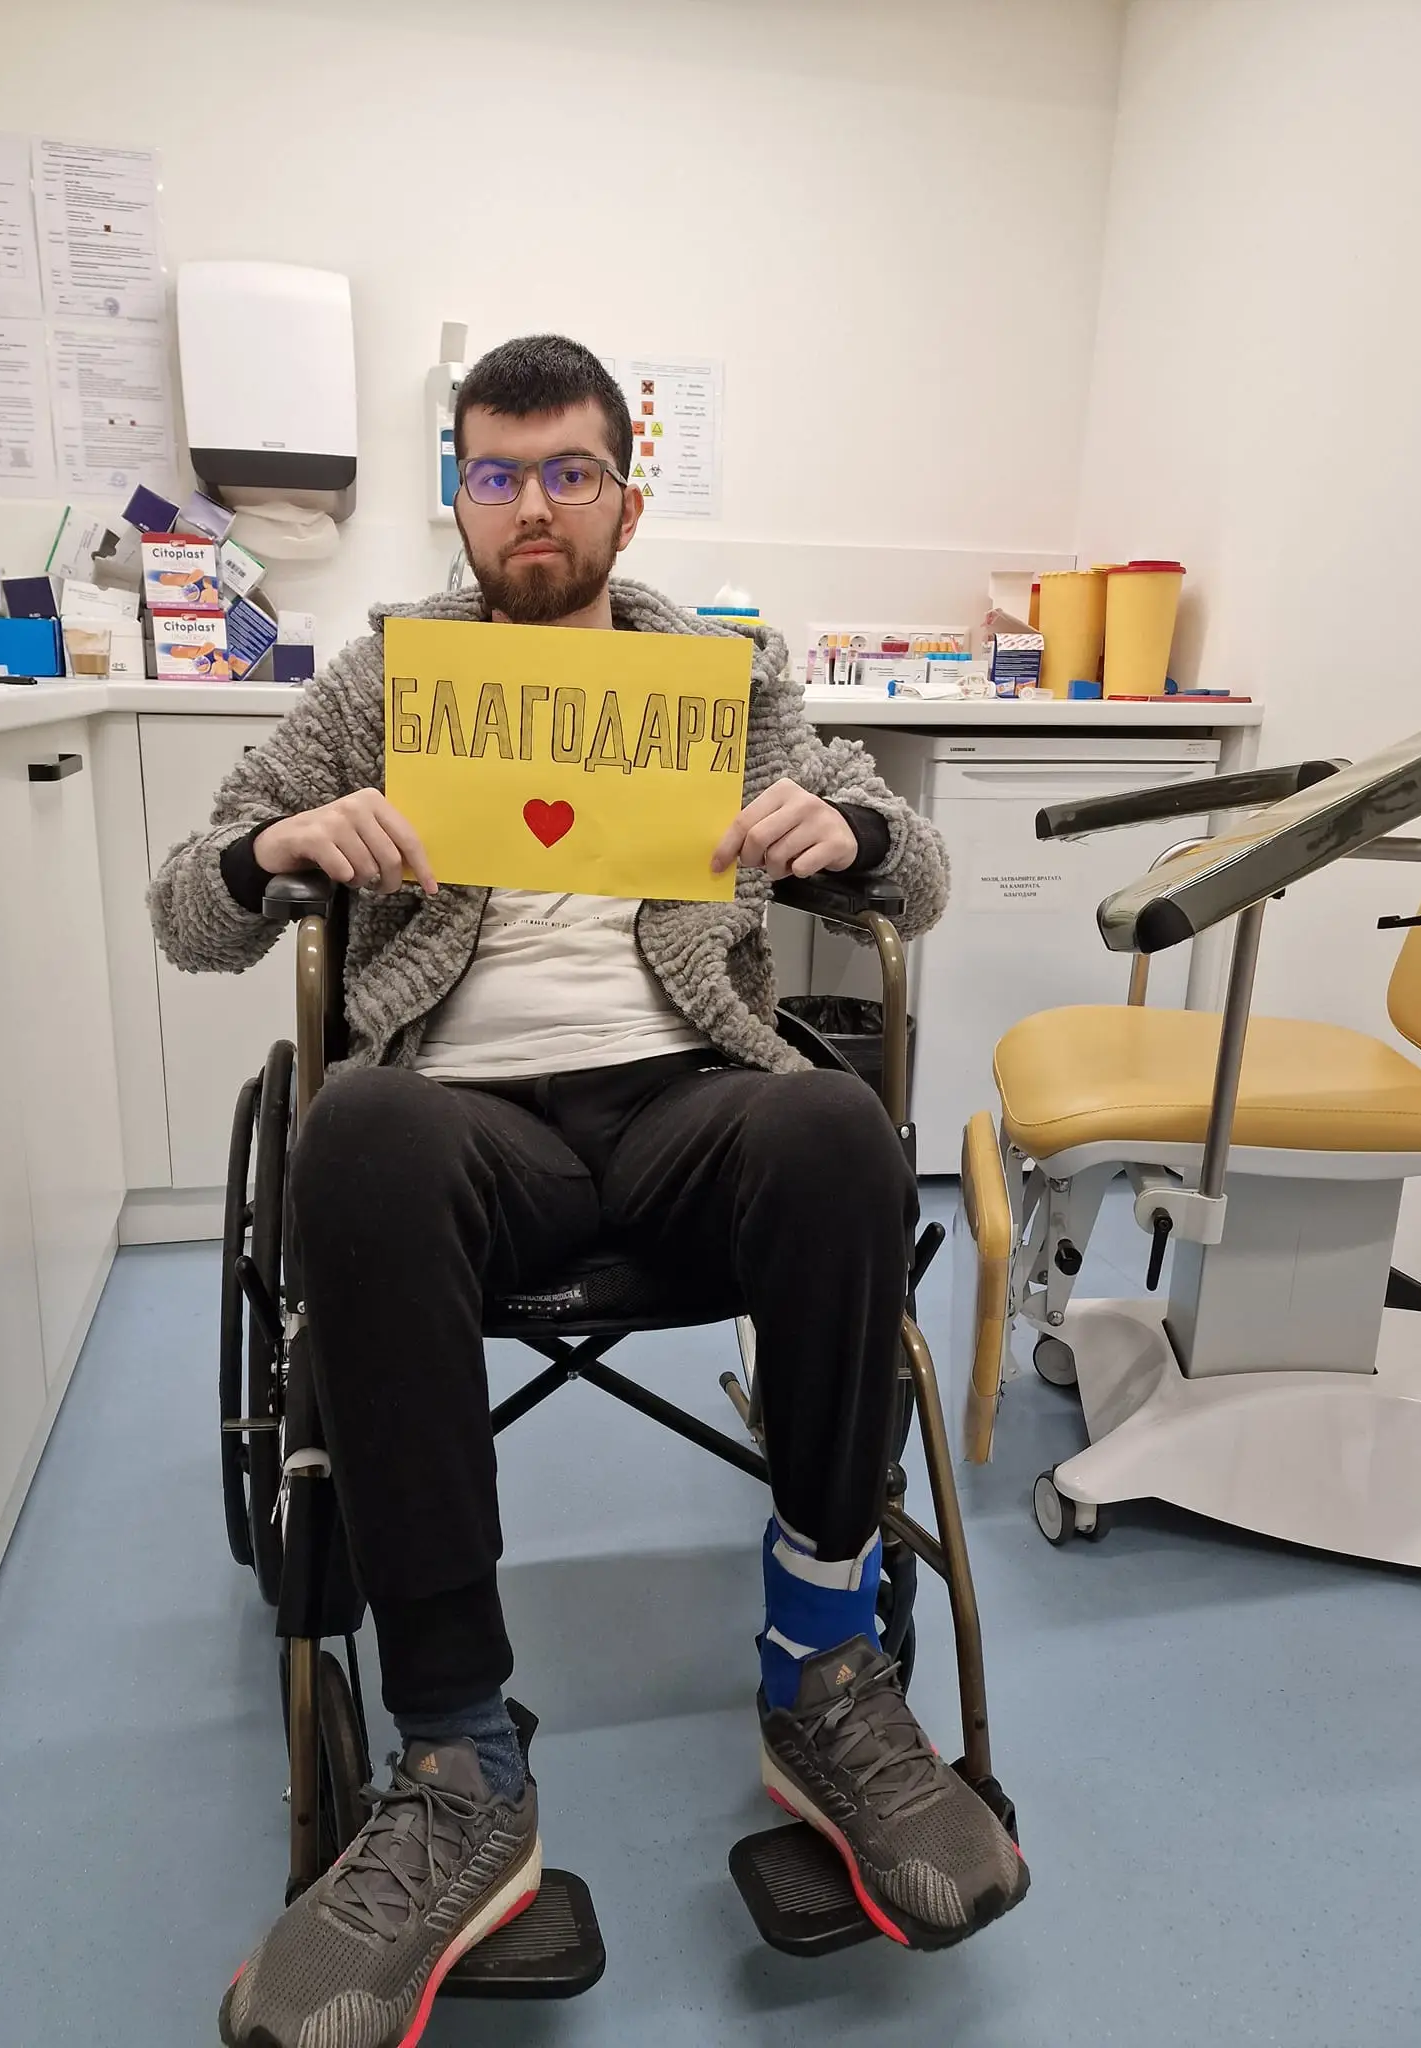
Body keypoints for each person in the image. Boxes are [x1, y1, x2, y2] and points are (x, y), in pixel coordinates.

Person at [152, 334, 1028, 2048]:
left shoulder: (725, 677)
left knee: (839, 1128)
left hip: (686, 1093)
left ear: (628, 495)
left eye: (569, 472)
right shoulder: (386, 682)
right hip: (463, 1119)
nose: (533, 507)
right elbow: (189, 908)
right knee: (357, 1132)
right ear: (459, 500)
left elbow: (914, 876)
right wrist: (276, 849)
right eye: (496, 475)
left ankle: (822, 1672)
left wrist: (847, 838)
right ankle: (459, 1758)